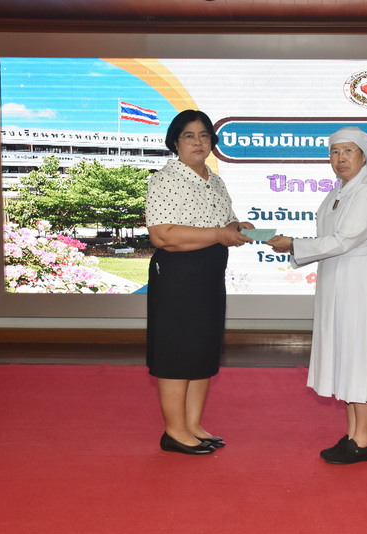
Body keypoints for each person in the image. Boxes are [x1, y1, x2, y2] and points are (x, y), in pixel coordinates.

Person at [268, 126, 367, 465]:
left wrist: (294, 245)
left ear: (364, 156)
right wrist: (294, 244)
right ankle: (353, 434)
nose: (340, 158)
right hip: (336, 276)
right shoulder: (340, 190)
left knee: (359, 353)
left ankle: (363, 440)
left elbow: (345, 240)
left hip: (358, 279)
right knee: (346, 352)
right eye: (334, 152)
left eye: (348, 151)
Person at [145, 109, 254, 455]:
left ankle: (192, 425)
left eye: (204, 135)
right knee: (177, 353)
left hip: (209, 275)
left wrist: (237, 228)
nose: (198, 142)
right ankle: (174, 432)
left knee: (202, 351)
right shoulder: (164, 180)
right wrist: (219, 234)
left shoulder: (215, 180)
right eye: (189, 136)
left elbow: (224, 223)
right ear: (175, 142)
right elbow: (163, 235)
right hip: (177, 277)